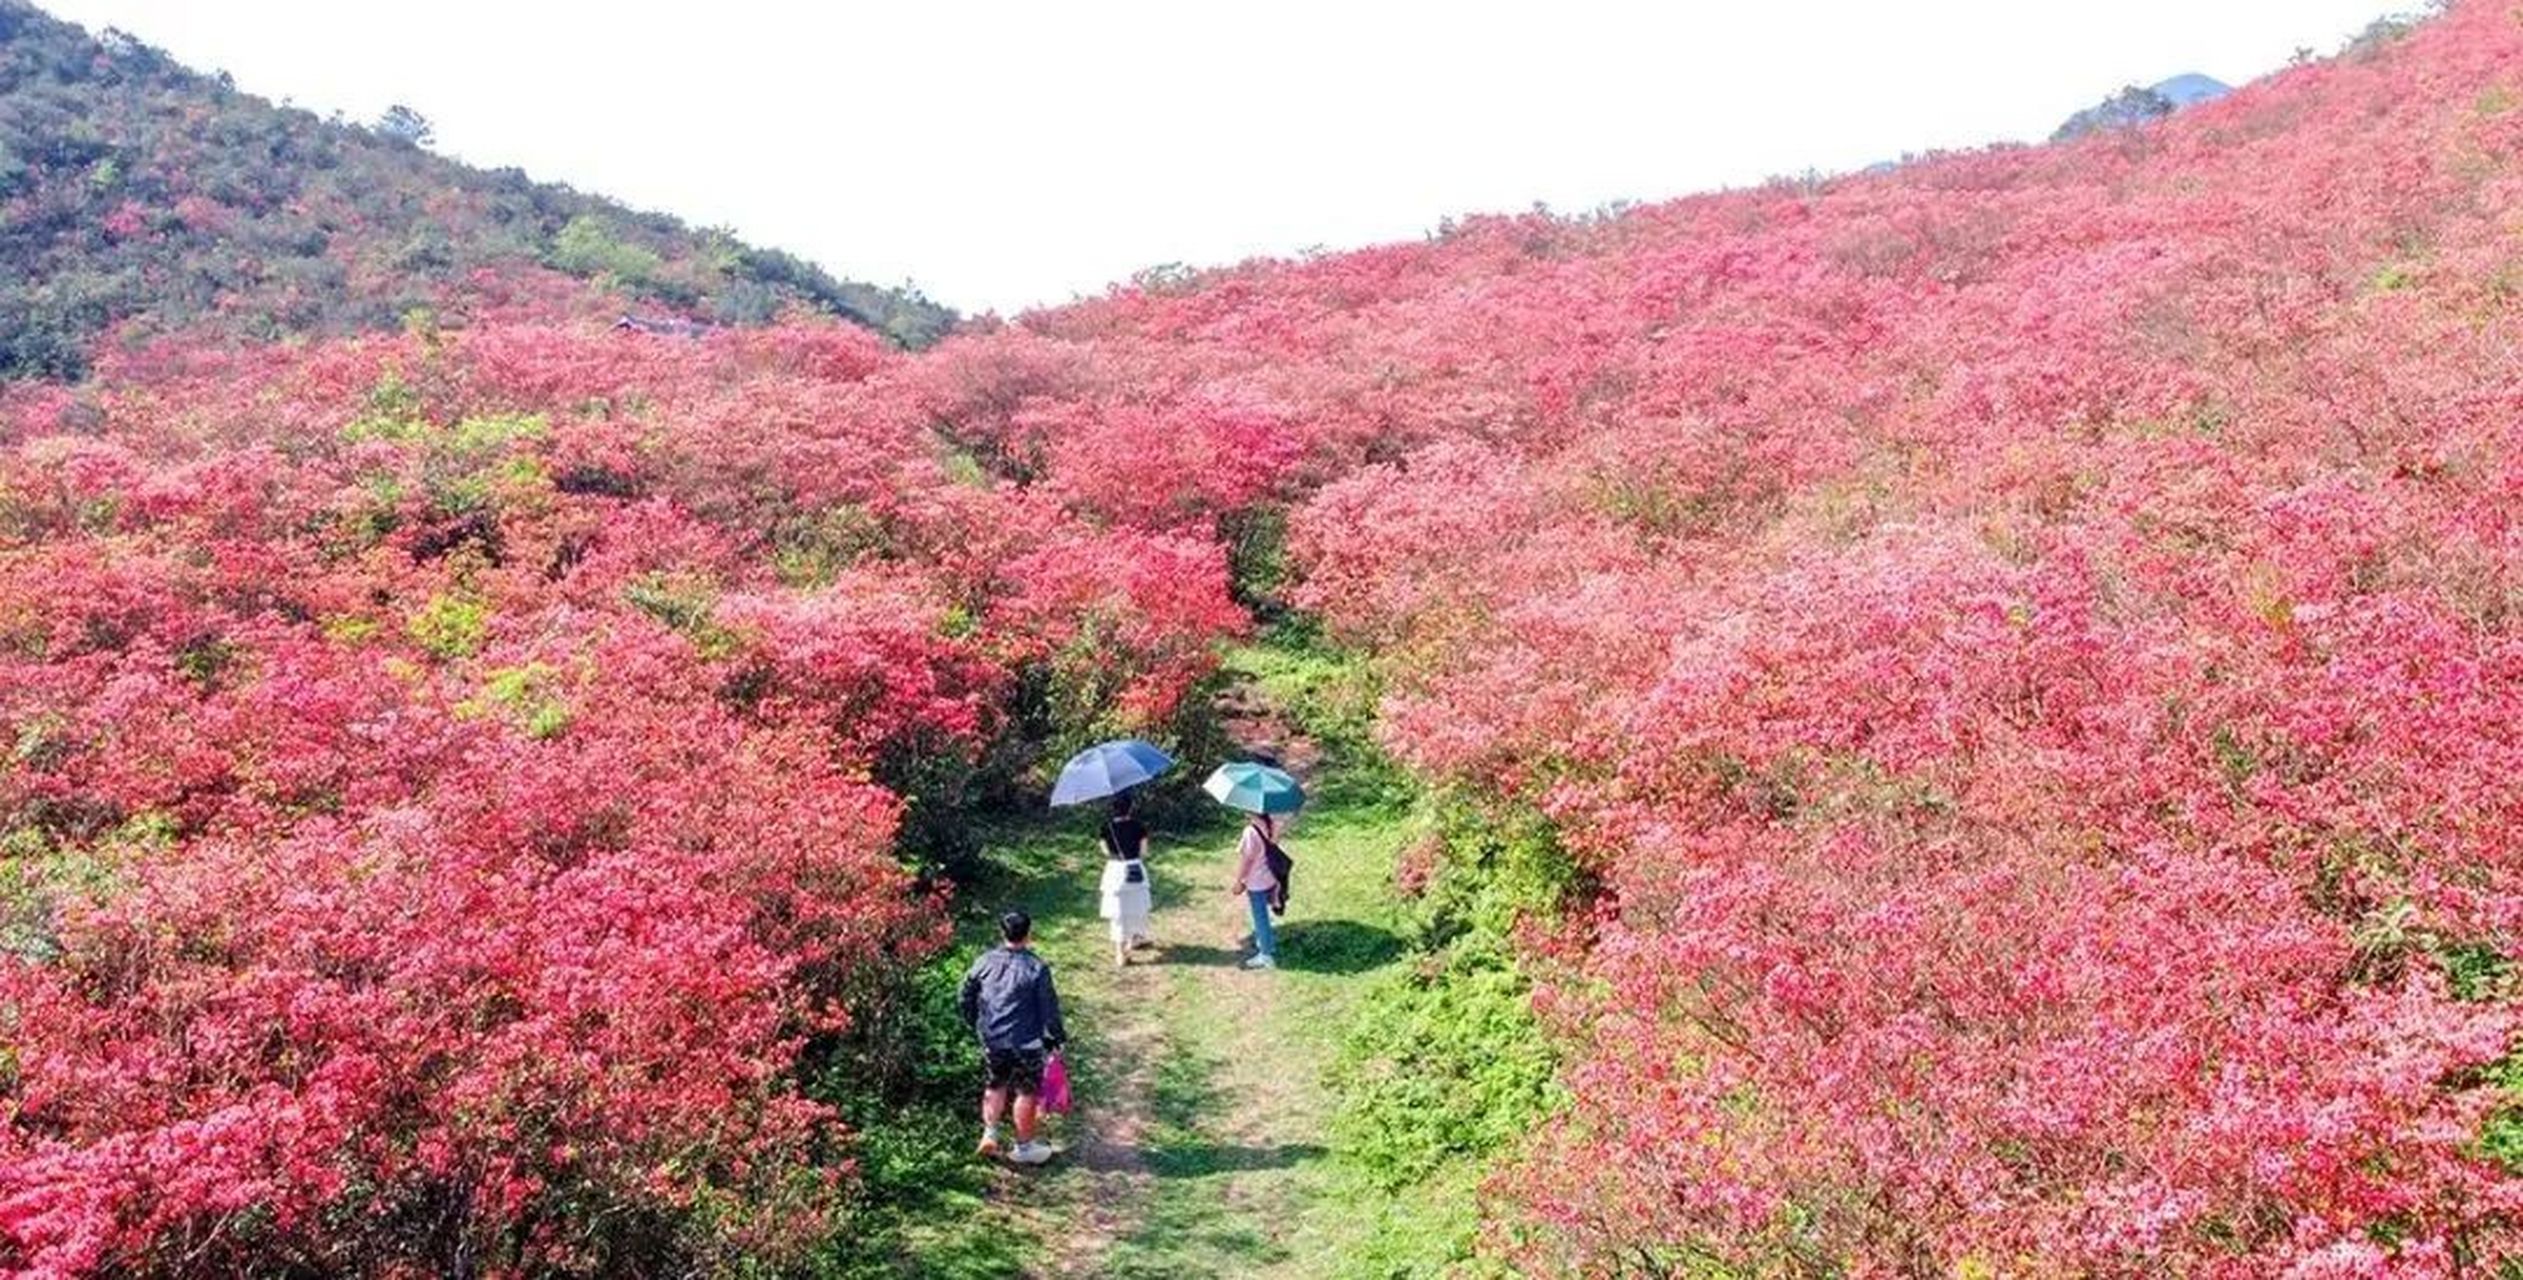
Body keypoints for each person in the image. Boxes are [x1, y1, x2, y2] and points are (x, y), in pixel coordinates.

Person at [958, 910, 1067, 1164]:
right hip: (1026, 1040)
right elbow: (1048, 1008)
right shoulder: (1036, 967)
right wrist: (1056, 1037)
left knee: (995, 1084)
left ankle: (990, 1134)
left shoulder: (984, 961)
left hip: (993, 1037)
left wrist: (974, 1022)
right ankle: (1024, 1148)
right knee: (1026, 1091)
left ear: (1002, 933)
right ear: (1029, 934)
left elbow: (965, 995)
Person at [1098, 790, 1155, 966]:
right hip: (1135, 869)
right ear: (1130, 808)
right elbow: (1144, 852)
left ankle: (1119, 954)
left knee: (1118, 914)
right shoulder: (1139, 826)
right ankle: (1134, 940)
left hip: (1115, 871)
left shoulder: (1106, 828)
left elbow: (1106, 851)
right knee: (1137, 908)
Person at [1228, 811, 1280, 970]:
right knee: (1264, 914)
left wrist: (1239, 881)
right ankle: (1268, 943)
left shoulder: (1250, 831)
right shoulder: (1271, 824)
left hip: (1256, 882)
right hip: (1270, 877)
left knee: (1260, 917)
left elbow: (1247, 860)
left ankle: (1265, 955)